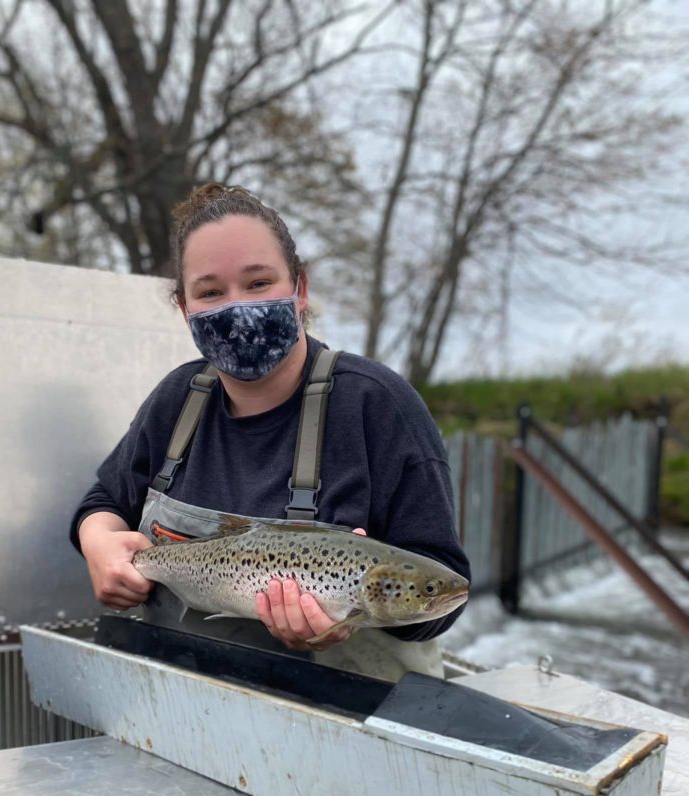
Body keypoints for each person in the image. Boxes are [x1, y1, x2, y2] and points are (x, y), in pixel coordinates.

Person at [70, 183, 469, 681]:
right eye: (211, 292)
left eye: (258, 283)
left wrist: (342, 617)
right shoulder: (177, 399)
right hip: (178, 705)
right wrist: (99, 541)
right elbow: (105, 499)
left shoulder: (377, 407)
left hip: (344, 730)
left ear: (299, 288)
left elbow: (445, 596)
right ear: (184, 307)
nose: (237, 307)